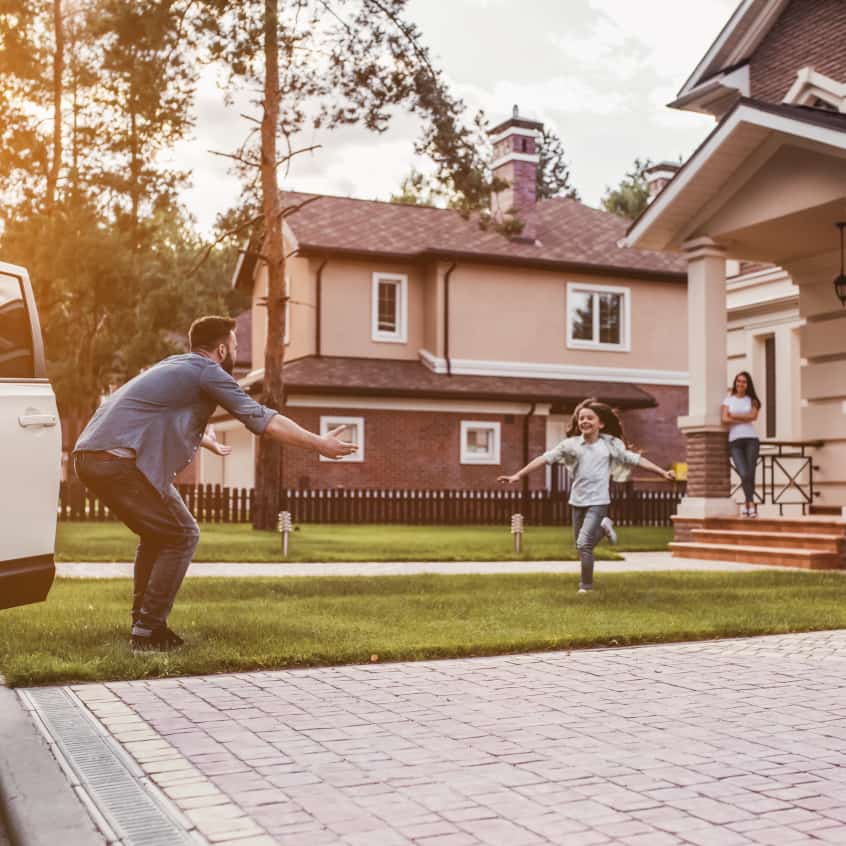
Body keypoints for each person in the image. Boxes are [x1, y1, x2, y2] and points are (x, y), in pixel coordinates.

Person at [73, 315, 356, 651]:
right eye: (235, 345)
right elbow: (261, 418)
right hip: (117, 461)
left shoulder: (175, 366)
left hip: (92, 456)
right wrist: (318, 443)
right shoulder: (208, 372)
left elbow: (151, 413)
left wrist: (205, 441)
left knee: (158, 534)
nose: (236, 351)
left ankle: (145, 624)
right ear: (222, 349)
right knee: (182, 535)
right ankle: (148, 631)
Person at [498, 398, 675, 594]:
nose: (584, 421)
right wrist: (517, 475)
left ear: (601, 423)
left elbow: (637, 460)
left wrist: (662, 473)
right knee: (580, 546)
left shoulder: (610, 445)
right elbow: (543, 458)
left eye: (590, 418)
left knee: (584, 544)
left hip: (598, 502)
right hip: (577, 501)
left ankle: (586, 587)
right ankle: (605, 528)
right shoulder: (571, 444)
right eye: (581, 418)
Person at [721, 370, 761, 518]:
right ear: (735, 383)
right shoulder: (728, 400)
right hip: (735, 442)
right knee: (744, 473)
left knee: (750, 473)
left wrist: (734, 416)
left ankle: (749, 504)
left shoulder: (753, 400)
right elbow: (724, 419)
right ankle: (750, 503)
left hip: (751, 440)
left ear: (747, 384)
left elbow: (753, 416)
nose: (740, 384)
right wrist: (744, 418)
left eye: (744, 382)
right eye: (738, 381)